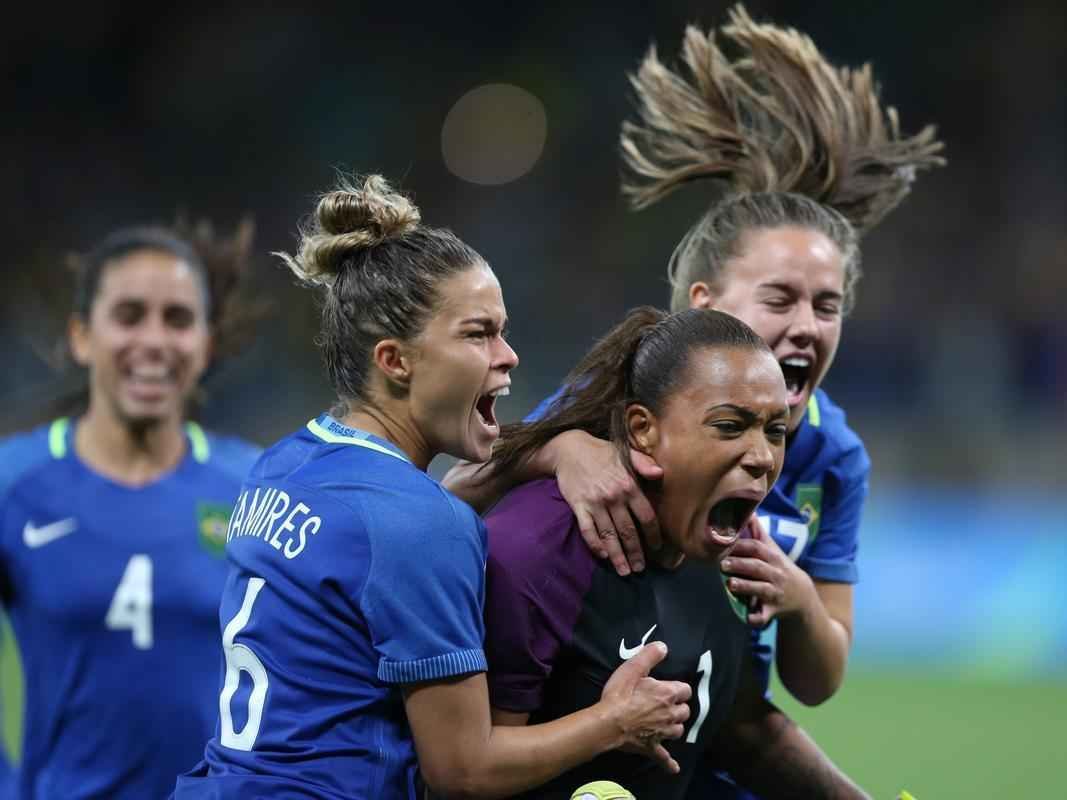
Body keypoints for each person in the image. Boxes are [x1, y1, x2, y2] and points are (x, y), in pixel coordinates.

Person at [444, 7, 943, 798]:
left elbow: (810, 685)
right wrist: (557, 448)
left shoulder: (833, 456)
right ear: (705, 303)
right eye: (780, 298)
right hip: (590, 745)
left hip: (719, 727)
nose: (806, 326)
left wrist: (801, 599)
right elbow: (460, 501)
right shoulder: (613, 400)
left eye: (828, 305)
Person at [173, 175, 692, 800]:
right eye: (478, 334)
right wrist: (614, 723)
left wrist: (548, 449)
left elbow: (371, 556)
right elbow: (465, 770)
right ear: (395, 360)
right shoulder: (418, 525)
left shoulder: (281, 465)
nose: (509, 355)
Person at [483, 306, 868, 799]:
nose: (761, 458)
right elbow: (467, 773)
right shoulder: (537, 549)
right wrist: (607, 724)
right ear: (643, 429)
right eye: (730, 426)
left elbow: (741, 731)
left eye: (775, 431)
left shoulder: (738, 551)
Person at [0, 222, 262, 798]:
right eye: (128, 315)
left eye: (177, 320)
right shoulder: (13, 485)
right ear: (81, 336)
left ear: (206, 343)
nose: (154, 341)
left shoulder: (256, 488)